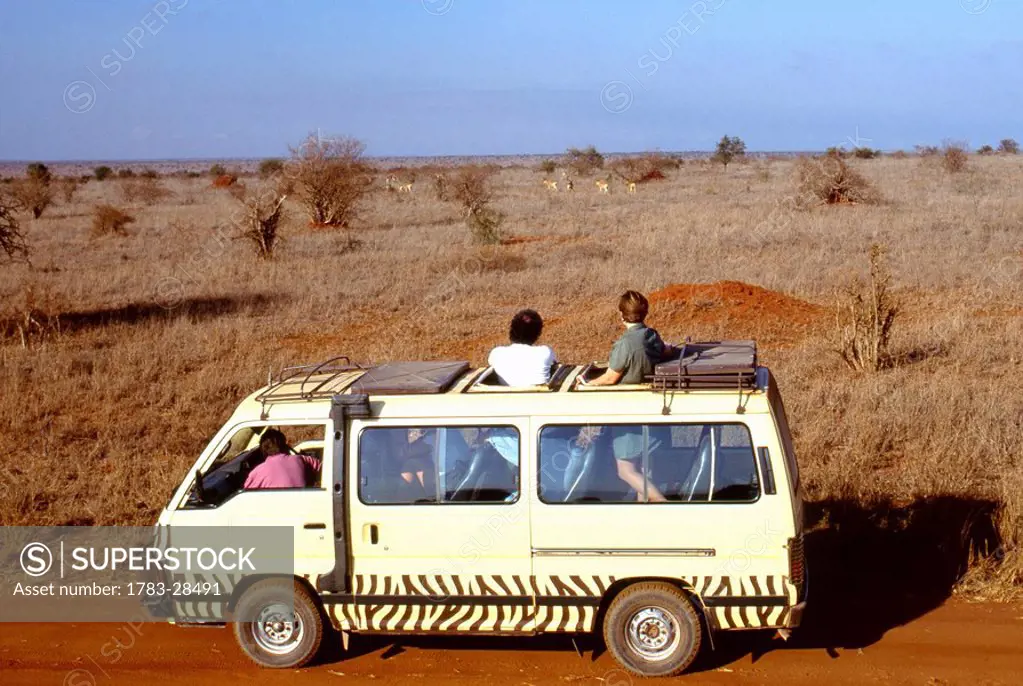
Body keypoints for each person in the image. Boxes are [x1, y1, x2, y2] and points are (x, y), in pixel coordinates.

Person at [579, 290, 676, 387]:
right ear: (645, 313)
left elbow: (610, 379)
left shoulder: (623, 344)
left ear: (622, 315)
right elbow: (667, 351)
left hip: (627, 392)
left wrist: (586, 382)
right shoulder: (652, 335)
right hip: (648, 386)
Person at [487, 309, 557, 386]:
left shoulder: (496, 353)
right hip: (540, 396)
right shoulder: (545, 351)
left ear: (512, 331)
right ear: (537, 333)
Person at [243, 428, 321, 489]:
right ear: (284, 445)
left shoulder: (258, 472)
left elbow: (244, 495)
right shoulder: (300, 459)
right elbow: (320, 466)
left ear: (263, 450)